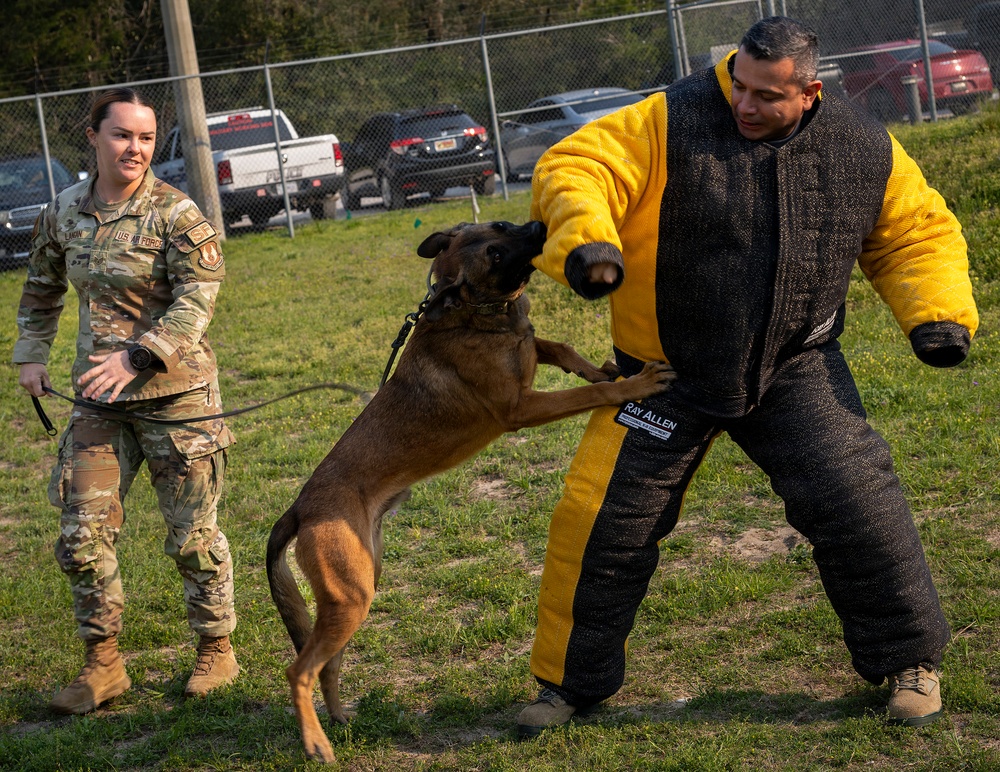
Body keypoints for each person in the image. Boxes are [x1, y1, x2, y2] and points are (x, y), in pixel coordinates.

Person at [517, 16, 978, 737]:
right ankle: (564, 686)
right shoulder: (668, 119)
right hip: (659, 377)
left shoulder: (861, 144)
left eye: (766, 94)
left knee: (860, 508)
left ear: (810, 93)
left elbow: (914, 231)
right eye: (738, 83)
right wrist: (587, 241)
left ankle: (911, 665)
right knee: (599, 527)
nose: (744, 103)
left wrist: (937, 317)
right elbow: (578, 169)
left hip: (796, 366)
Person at [14, 87, 239, 714]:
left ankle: (216, 648)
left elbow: (199, 297)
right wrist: (31, 354)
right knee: (81, 534)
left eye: (144, 137)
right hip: (98, 401)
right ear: (93, 136)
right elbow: (41, 286)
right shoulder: (62, 212)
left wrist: (140, 354)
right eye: (121, 135)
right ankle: (104, 663)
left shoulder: (174, 213)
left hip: (177, 397)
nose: (135, 147)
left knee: (193, 534)